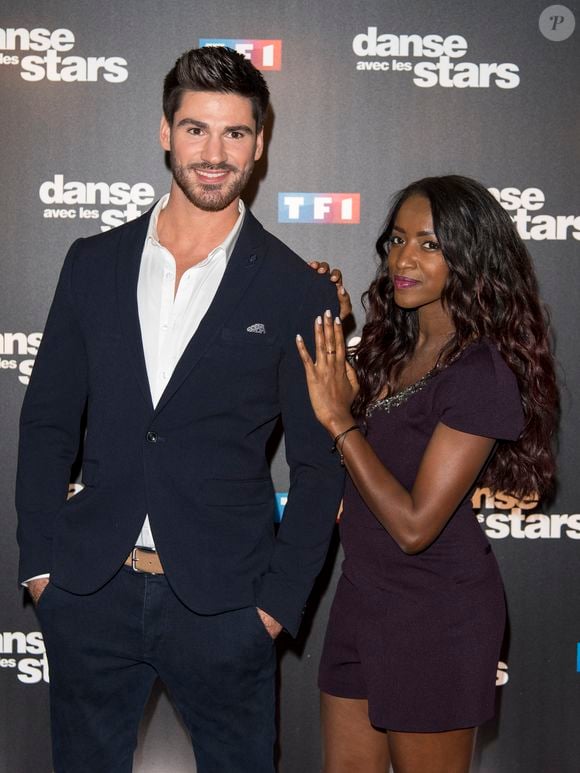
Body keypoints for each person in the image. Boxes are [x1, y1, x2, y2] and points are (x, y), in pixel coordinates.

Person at [16, 46, 348, 773]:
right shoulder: (91, 262)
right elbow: (45, 423)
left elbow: (320, 466)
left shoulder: (299, 291)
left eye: (235, 134)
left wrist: (274, 608)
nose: (214, 153)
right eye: (196, 129)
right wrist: (41, 566)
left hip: (227, 606)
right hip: (89, 591)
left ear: (259, 146)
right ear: (165, 132)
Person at [296, 175, 558, 773]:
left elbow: (415, 526)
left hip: (438, 617)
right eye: (395, 240)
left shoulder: (481, 373)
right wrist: (327, 320)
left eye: (429, 244)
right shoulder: (393, 349)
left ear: (469, 255)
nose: (403, 258)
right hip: (362, 599)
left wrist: (341, 421)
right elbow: (341, 409)